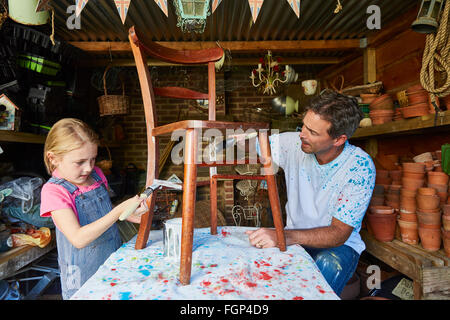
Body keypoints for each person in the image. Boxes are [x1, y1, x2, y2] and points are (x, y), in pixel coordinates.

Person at [245, 89, 376, 296]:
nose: (302, 135)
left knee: (327, 266)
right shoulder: (294, 143)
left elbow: (338, 234)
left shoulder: (359, 167)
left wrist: (282, 237)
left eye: (313, 132)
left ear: (338, 140)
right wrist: (228, 138)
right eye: (304, 126)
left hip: (337, 248)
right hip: (293, 238)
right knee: (256, 271)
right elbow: (253, 145)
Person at [40, 118, 148, 299]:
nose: (89, 167)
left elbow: (102, 209)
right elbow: (78, 238)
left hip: (112, 259)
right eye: (80, 162)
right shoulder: (54, 191)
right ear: (54, 158)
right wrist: (117, 212)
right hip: (83, 274)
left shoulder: (97, 174)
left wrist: (127, 214)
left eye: (93, 159)